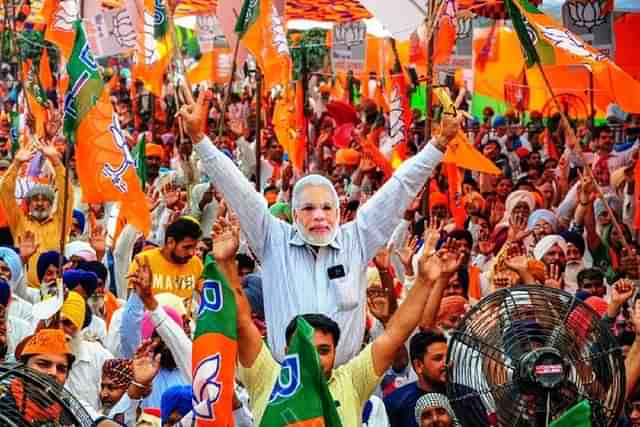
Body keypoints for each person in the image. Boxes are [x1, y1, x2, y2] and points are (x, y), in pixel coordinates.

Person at [179, 89, 461, 364]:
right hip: (288, 383)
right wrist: (199, 139)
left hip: (345, 383)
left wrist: (438, 144)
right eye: (309, 208)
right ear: (294, 213)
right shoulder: (272, 239)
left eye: (327, 208)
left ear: (338, 213)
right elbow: (241, 192)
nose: (319, 217)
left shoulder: (357, 240)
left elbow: (399, 188)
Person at [210, 214, 463, 425]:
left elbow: (396, 333)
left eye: (323, 350)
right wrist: (225, 263)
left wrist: (425, 281)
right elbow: (242, 321)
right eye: (305, 348)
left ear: (334, 353)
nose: (315, 358)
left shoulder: (351, 380)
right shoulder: (267, 376)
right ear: (287, 351)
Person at [0, 141, 74, 286]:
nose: (40, 203)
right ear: (28, 203)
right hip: (24, 290)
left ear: (52, 204)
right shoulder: (19, 221)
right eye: (35, 199)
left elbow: (68, 195)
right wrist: (16, 164)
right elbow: (5, 192)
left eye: (45, 199)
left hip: (53, 289)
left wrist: (56, 161)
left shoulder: (61, 222)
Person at [128, 217, 204, 300]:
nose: (192, 253)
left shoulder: (195, 263)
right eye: (187, 247)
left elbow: (210, 296)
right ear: (170, 242)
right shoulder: (143, 261)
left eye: (194, 247)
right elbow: (131, 307)